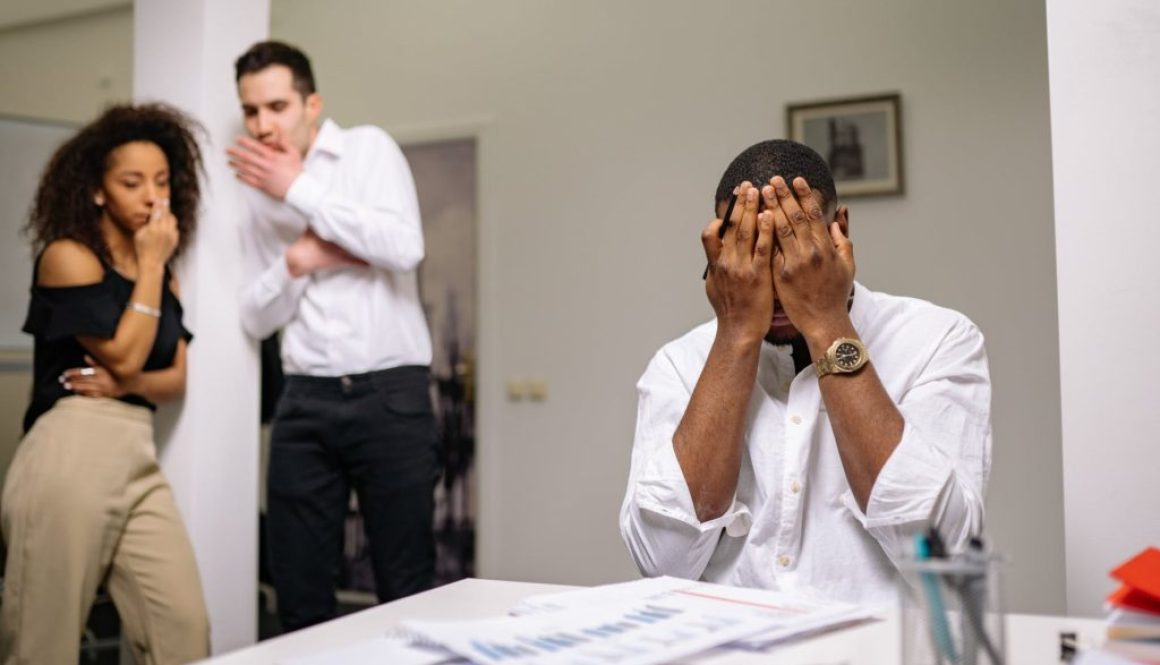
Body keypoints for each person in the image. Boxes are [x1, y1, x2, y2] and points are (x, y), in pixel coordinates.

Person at [619, 139, 990, 605]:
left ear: (839, 231)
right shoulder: (678, 364)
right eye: (746, 245)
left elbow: (941, 552)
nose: (772, 276)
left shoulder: (937, 339)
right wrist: (735, 336)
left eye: (793, 243)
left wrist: (825, 321)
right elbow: (661, 563)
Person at [227, 40, 438, 631]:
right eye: (250, 111)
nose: (263, 125)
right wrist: (298, 261)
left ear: (311, 103)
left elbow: (402, 247)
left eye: (277, 106)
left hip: (390, 397)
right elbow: (253, 316)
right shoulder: (250, 194)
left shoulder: (368, 150)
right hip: (304, 402)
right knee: (298, 593)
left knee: (406, 588)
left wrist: (298, 190)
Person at [1, 104, 210, 664]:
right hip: (70, 451)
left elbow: (173, 380)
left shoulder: (165, 273)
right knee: (43, 642)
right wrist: (148, 270)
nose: (152, 197)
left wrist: (125, 385)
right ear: (97, 190)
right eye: (132, 182)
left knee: (183, 629)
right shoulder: (68, 257)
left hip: (136, 455)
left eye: (163, 182)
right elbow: (124, 350)